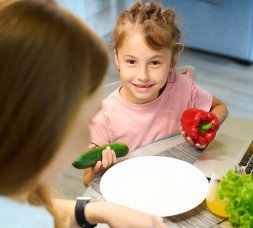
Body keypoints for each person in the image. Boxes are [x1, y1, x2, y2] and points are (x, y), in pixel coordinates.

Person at [0, 1, 185, 228]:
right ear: (42, 128)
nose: (89, 135)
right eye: (84, 120)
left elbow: (21, 216)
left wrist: (95, 211)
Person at [83, 1, 228, 186]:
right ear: (117, 58)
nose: (143, 76)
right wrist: (100, 169)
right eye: (131, 62)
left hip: (178, 183)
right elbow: (87, 182)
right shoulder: (103, 118)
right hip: (132, 195)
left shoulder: (182, 88)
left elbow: (220, 108)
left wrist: (207, 128)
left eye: (155, 63)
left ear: (173, 60)